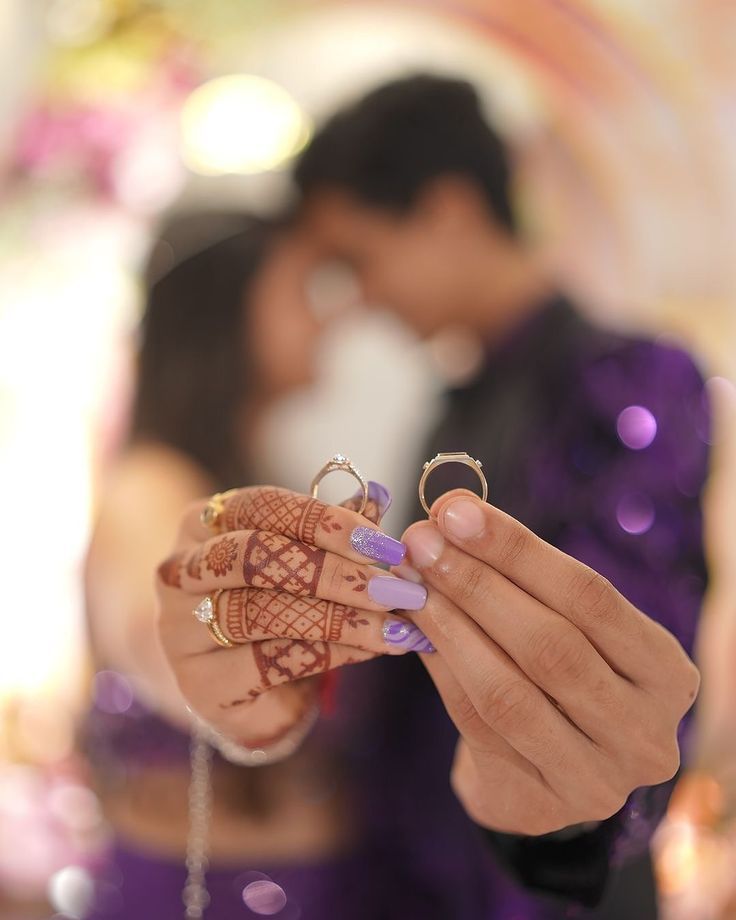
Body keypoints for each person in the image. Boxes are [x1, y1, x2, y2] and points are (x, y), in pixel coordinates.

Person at [155, 76, 709, 919]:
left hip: (538, 885)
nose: (362, 301)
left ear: (448, 211)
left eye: (359, 262)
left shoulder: (627, 377)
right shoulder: (453, 398)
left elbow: (623, 686)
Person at [83, 215, 413, 919]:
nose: (326, 317)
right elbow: (161, 630)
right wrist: (209, 657)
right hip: (210, 893)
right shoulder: (149, 488)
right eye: (300, 289)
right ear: (226, 314)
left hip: (321, 883)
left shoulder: (257, 478)